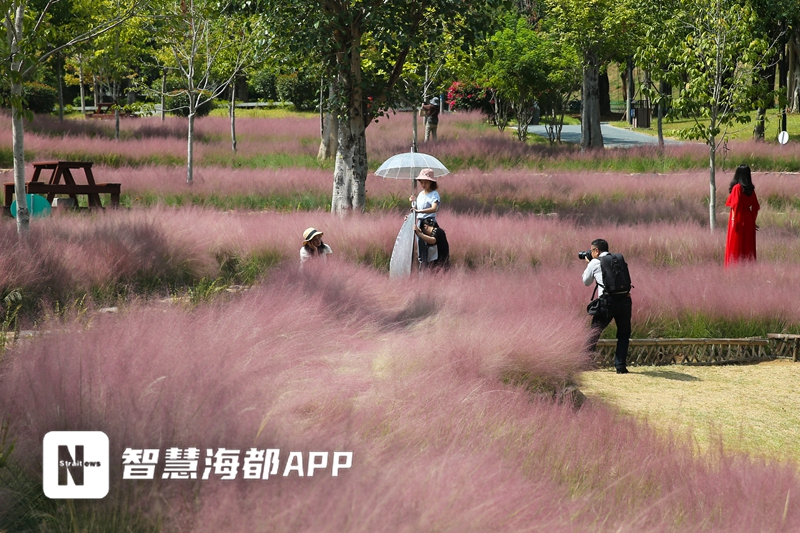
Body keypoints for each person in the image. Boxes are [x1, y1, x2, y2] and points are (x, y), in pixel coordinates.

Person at [582, 239, 632, 374]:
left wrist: (589, 264)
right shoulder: (618, 260)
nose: (590, 253)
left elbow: (586, 282)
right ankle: (620, 367)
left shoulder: (595, 262)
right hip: (625, 300)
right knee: (623, 334)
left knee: (594, 332)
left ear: (596, 251)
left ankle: (586, 363)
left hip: (607, 302)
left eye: (591, 250)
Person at [725, 164, 760, 267]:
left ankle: (734, 268)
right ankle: (747, 268)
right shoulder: (750, 189)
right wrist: (753, 220)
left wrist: (733, 219)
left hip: (738, 217)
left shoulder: (737, 188)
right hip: (748, 218)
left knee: (735, 245)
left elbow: (735, 205)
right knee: (748, 246)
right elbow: (755, 206)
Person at [409, 168, 440, 266]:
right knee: (420, 246)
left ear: (431, 182)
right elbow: (417, 207)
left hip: (429, 222)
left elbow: (434, 208)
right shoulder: (420, 194)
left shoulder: (434, 194)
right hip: (420, 221)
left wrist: (419, 211)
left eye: (425, 182)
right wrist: (413, 202)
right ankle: (422, 268)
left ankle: (430, 268)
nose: (423, 184)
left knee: (430, 248)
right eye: (421, 182)